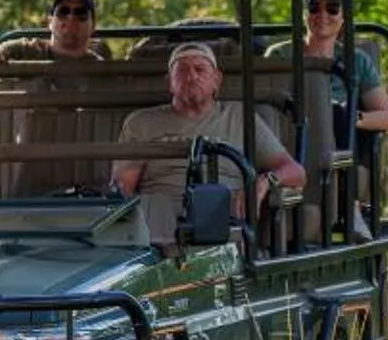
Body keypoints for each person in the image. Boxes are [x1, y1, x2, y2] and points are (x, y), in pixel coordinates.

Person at [111, 41, 304, 248]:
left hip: (221, 213)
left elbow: (296, 172)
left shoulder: (240, 116)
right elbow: (123, 187)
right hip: (158, 219)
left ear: (217, 80)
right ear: (169, 82)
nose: (191, 76)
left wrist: (264, 182)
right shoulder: (141, 122)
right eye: (182, 70)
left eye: (200, 69)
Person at [264, 0, 388, 138]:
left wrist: (348, 117)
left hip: (336, 149)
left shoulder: (356, 60)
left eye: (332, 8)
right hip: (289, 134)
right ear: (305, 13)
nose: (322, 14)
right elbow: (268, 104)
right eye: (314, 7)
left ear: (344, 17)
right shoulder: (280, 55)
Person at [0, 0, 109, 65]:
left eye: (81, 13)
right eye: (63, 12)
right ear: (50, 22)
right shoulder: (18, 52)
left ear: (93, 25)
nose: (71, 17)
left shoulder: (101, 69)